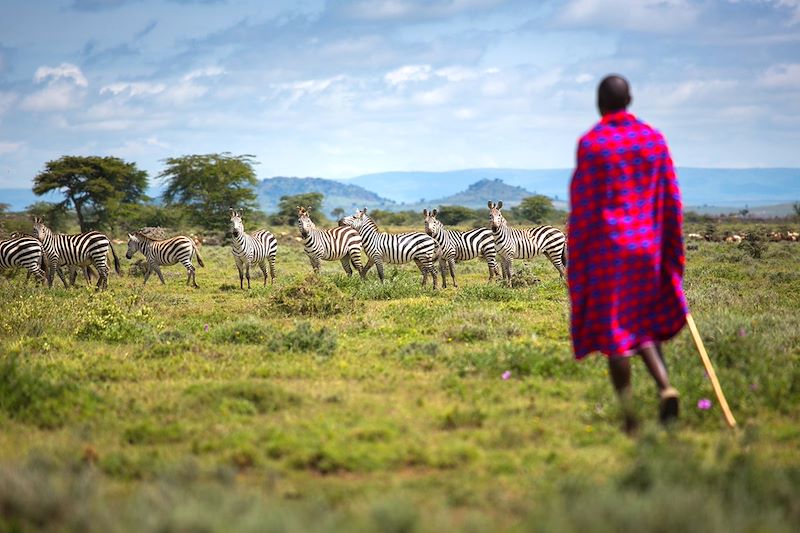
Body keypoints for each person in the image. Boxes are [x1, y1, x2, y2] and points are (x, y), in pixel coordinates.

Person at [568, 74, 688, 433]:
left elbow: (584, 206)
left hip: (609, 250)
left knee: (616, 332)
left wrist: (579, 257)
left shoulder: (593, 143)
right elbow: (671, 198)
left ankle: (630, 417)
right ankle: (665, 387)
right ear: (630, 98)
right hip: (647, 248)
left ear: (598, 103)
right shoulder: (653, 140)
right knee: (642, 322)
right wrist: (671, 251)